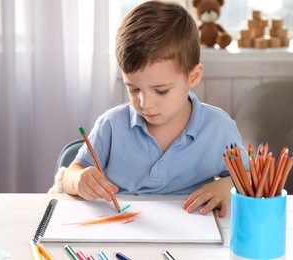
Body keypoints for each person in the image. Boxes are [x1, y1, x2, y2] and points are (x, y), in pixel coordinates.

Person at [62, 0, 248, 218]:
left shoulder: (219, 128)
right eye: (133, 89)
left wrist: (228, 187)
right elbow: (70, 174)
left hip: (192, 239)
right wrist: (79, 180)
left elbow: (248, 177)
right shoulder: (111, 125)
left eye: (161, 91)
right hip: (120, 232)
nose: (145, 103)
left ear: (193, 76)